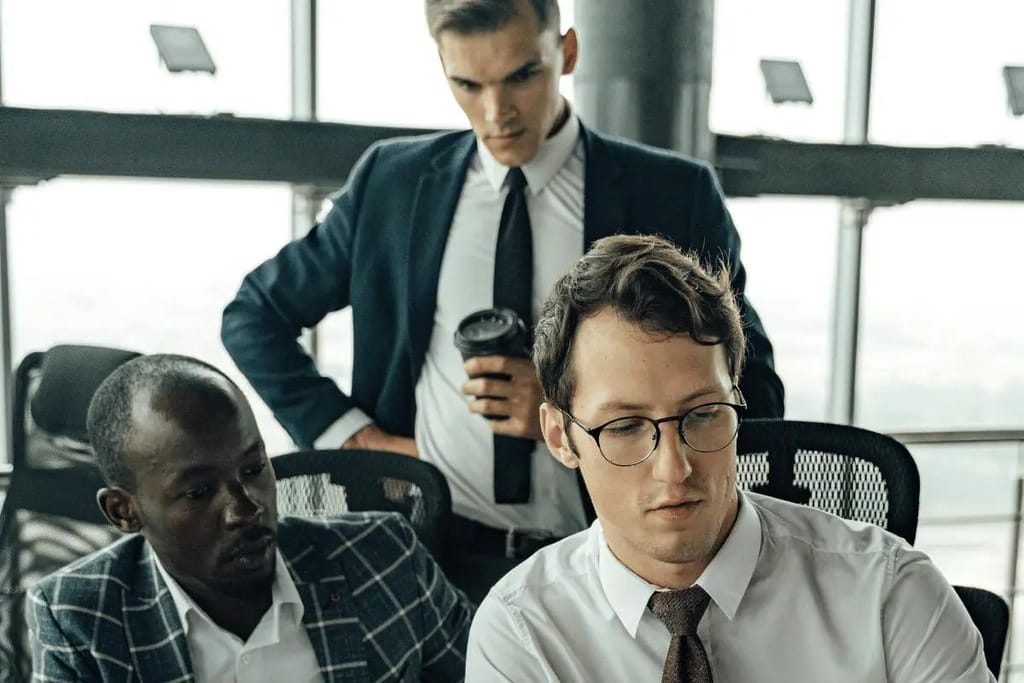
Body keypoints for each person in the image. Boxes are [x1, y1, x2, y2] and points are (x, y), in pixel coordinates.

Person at [221, 0, 783, 576]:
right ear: (443, 66)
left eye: (521, 76)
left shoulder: (672, 194)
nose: (497, 114)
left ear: (566, 53)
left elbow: (755, 389)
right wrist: (357, 440)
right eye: (468, 84)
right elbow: (254, 316)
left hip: (609, 561)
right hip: (424, 555)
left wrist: (569, 404)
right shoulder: (393, 183)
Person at [465, 234, 992, 682]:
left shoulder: (889, 593)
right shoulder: (524, 630)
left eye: (702, 415)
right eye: (625, 426)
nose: (675, 468)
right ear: (561, 437)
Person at [26, 354, 472, 682]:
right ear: (124, 512)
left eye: (254, 469)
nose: (246, 508)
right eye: (199, 492)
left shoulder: (385, 555)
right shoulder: (79, 616)